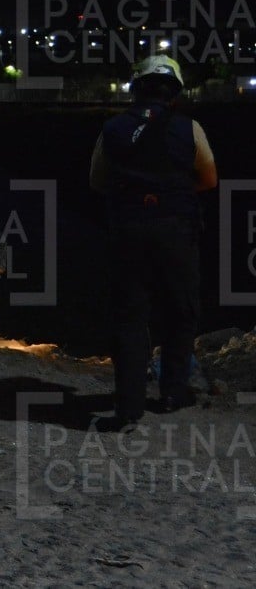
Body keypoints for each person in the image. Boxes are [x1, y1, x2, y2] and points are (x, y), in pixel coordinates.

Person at [89, 54, 218, 431]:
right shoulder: (189, 128)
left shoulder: (112, 128)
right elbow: (209, 179)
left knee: (129, 316)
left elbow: (97, 181)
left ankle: (129, 406)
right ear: (174, 92)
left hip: (128, 230)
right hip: (177, 230)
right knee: (180, 312)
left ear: (137, 89)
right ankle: (173, 393)